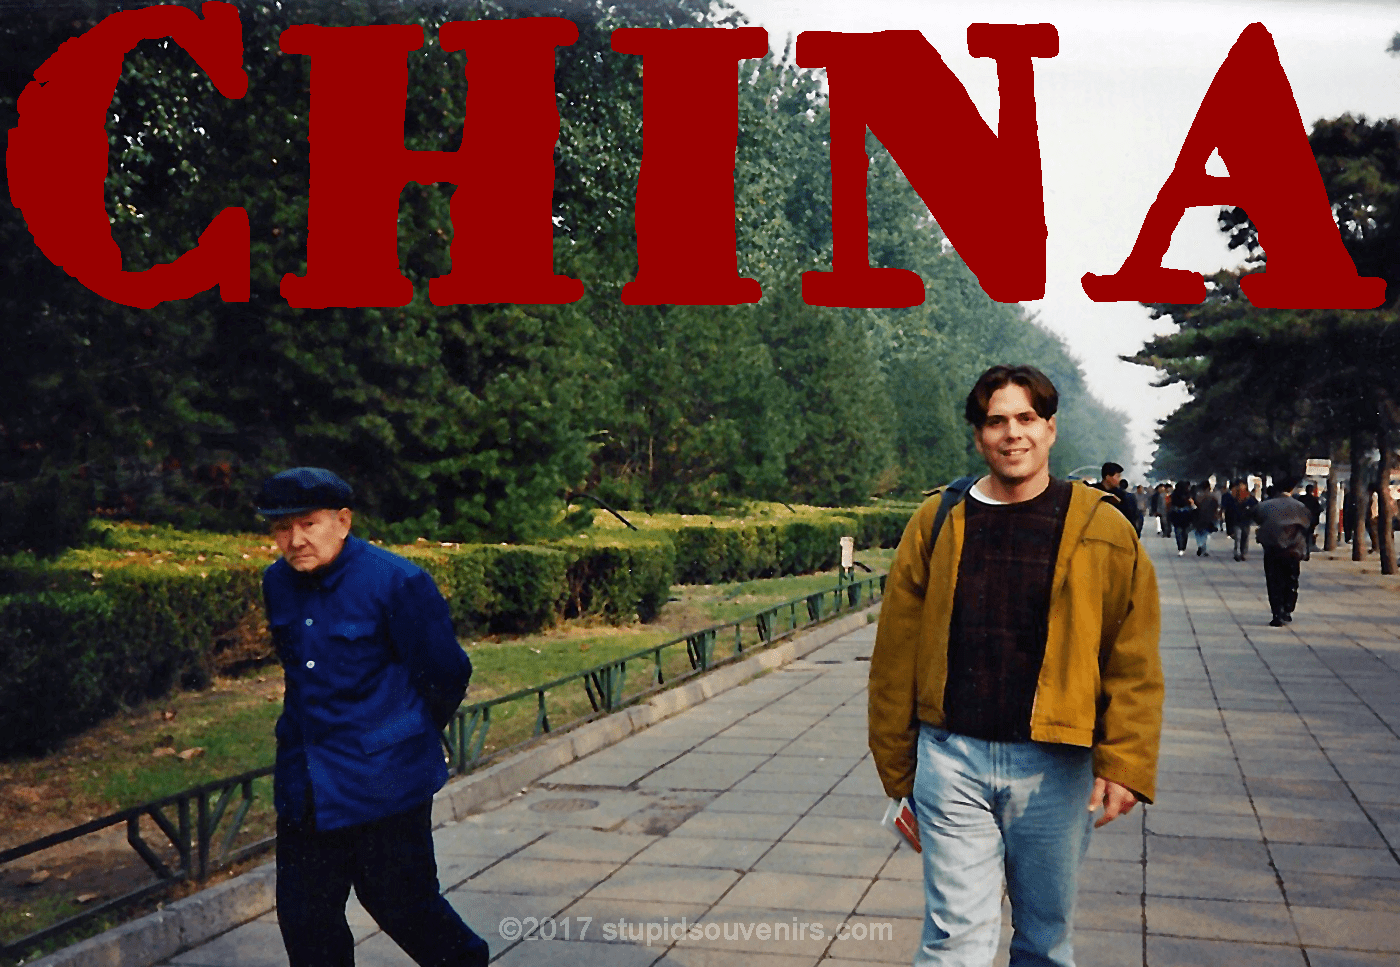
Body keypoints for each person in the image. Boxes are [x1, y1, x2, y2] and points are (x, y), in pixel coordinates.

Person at [869, 364, 1163, 967]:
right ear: (978, 435)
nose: (1013, 434)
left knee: (1045, 939)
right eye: (996, 421)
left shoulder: (1101, 528)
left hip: (1055, 764)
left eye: (1026, 418)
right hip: (952, 759)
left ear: (1050, 429)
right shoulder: (938, 520)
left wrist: (1126, 761)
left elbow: (1133, 656)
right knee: (954, 939)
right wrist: (900, 774)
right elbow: (894, 653)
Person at [256, 468, 489, 967]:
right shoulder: (277, 583)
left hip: (383, 783)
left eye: (308, 524)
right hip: (307, 785)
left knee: (403, 906)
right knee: (305, 921)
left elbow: (446, 673)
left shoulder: (397, 582)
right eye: (280, 528)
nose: (294, 540)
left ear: (342, 521)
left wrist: (399, 736)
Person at [1254, 483, 1312, 627]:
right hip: (1292, 549)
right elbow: (1307, 525)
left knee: (1273, 581)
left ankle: (1276, 612)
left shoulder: (1265, 506)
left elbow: (1257, 518)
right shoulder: (1300, 507)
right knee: (1291, 579)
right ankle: (1288, 608)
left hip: (1272, 548)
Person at [1222, 479, 1258, 562]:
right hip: (1236, 520)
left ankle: (1243, 553)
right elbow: (1228, 511)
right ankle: (1237, 553)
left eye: (1242, 485)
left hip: (1246, 521)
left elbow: (1255, 507)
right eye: (1239, 485)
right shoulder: (1232, 497)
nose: (1240, 487)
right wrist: (1228, 527)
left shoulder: (1249, 497)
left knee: (1245, 537)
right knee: (1237, 537)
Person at [1191, 480, 1219, 556]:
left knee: (1198, 533)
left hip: (1199, 516)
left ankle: (1200, 545)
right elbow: (1216, 507)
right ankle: (1204, 547)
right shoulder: (1213, 497)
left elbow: (1194, 506)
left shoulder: (1198, 496)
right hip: (1210, 517)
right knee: (1206, 533)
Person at [1169, 480, 1195, 556]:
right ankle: (1183, 547)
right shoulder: (1187, 494)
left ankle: (1180, 547)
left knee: (1178, 532)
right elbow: (1191, 504)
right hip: (1186, 515)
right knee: (1184, 532)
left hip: (1176, 515)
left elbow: (1171, 505)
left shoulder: (1174, 494)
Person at [1297, 483, 1322, 552]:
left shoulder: (1301, 499)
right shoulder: (1314, 500)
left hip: (1301, 520)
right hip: (1311, 520)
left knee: (1302, 535)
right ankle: (1308, 548)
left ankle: (1303, 548)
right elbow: (1319, 510)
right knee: (1309, 534)